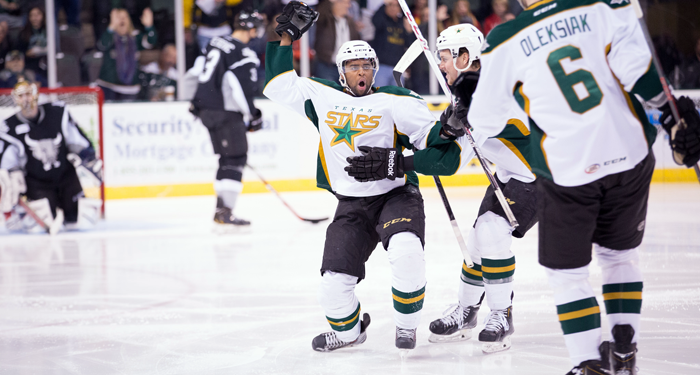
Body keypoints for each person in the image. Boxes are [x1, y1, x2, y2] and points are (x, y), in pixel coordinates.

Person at [466, 0, 700, 374]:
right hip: (631, 152)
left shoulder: (505, 39)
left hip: (569, 167)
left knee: (569, 273)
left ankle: (587, 361)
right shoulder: (602, 6)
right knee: (618, 256)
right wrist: (677, 116)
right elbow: (641, 73)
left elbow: (483, 119)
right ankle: (624, 348)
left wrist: (468, 96)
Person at [264, 1, 461, 353]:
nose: (361, 72)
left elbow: (445, 160)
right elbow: (278, 85)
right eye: (353, 66)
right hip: (351, 204)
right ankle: (351, 330)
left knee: (406, 251)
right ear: (342, 71)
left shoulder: (397, 101)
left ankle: (406, 324)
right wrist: (283, 39)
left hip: (396, 196)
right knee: (333, 285)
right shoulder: (321, 96)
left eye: (367, 66)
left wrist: (430, 144)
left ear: (375, 70)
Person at [345, 24, 538, 354]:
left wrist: (398, 162)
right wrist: (432, 137)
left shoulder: (493, 88)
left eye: (445, 57)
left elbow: (454, 154)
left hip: (543, 175)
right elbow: (449, 156)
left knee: (491, 231)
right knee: (478, 241)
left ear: (466, 56)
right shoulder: (471, 93)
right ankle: (467, 311)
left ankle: (501, 314)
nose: (441, 64)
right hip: (511, 173)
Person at [190, 10, 264, 229]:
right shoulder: (244, 53)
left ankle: (221, 209)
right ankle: (225, 212)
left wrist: (197, 102)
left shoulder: (215, 42)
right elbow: (239, 86)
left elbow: (195, 71)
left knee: (226, 159)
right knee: (236, 158)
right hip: (224, 112)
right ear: (251, 29)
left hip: (204, 109)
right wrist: (253, 114)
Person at [0, 80, 103, 233]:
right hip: (37, 184)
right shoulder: (9, 127)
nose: (26, 99)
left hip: (66, 178)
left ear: (35, 95)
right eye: (21, 96)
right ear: (15, 99)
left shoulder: (57, 113)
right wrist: (13, 180)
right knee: (37, 229)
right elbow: (6, 165)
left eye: (28, 94)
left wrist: (87, 158)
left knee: (80, 223)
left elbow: (80, 143)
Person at [96, 8, 157, 101]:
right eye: (118, 17)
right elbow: (102, 45)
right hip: (109, 87)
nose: (122, 20)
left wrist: (149, 26)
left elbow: (151, 41)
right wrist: (111, 27)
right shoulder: (110, 35)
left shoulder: (135, 37)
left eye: (125, 17)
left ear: (129, 21)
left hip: (130, 89)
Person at [369, 0, 415, 87]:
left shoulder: (403, 23)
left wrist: (409, 32)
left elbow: (410, 45)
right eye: (390, 5)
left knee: (397, 97)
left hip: (398, 69)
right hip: (381, 67)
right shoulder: (382, 20)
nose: (393, 8)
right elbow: (375, 20)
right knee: (380, 96)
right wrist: (384, 4)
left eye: (396, 5)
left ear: (400, 8)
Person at [313, 0, 360, 82]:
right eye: (346, 3)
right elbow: (321, 10)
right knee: (328, 92)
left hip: (346, 67)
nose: (348, 6)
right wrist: (329, 2)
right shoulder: (325, 19)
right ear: (336, 3)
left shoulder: (350, 22)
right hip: (327, 65)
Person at [17, 7, 48, 79]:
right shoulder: (24, 33)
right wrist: (27, 53)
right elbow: (19, 52)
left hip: (46, 63)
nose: (35, 18)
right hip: (30, 65)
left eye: (37, 15)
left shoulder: (49, 30)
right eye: (32, 15)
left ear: (43, 16)